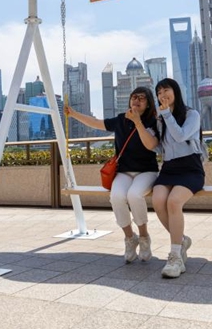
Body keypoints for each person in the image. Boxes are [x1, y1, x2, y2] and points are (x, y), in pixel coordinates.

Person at [65, 86, 159, 263]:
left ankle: (144, 237)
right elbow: (96, 123)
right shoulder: (120, 120)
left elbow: (151, 145)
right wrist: (74, 114)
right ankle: (130, 238)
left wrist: (138, 122)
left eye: (141, 98)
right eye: (133, 97)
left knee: (134, 195)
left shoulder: (153, 122)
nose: (136, 100)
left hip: (147, 171)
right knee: (116, 196)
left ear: (148, 104)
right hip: (123, 171)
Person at [152, 78, 206, 279]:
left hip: (190, 168)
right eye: (158, 93)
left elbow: (180, 136)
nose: (162, 95)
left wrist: (165, 114)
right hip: (169, 168)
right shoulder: (160, 119)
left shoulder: (192, 114)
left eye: (166, 90)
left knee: (173, 202)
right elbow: (160, 146)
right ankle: (181, 240)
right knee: (158, 201)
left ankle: (175, 257)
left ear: (175, 91)